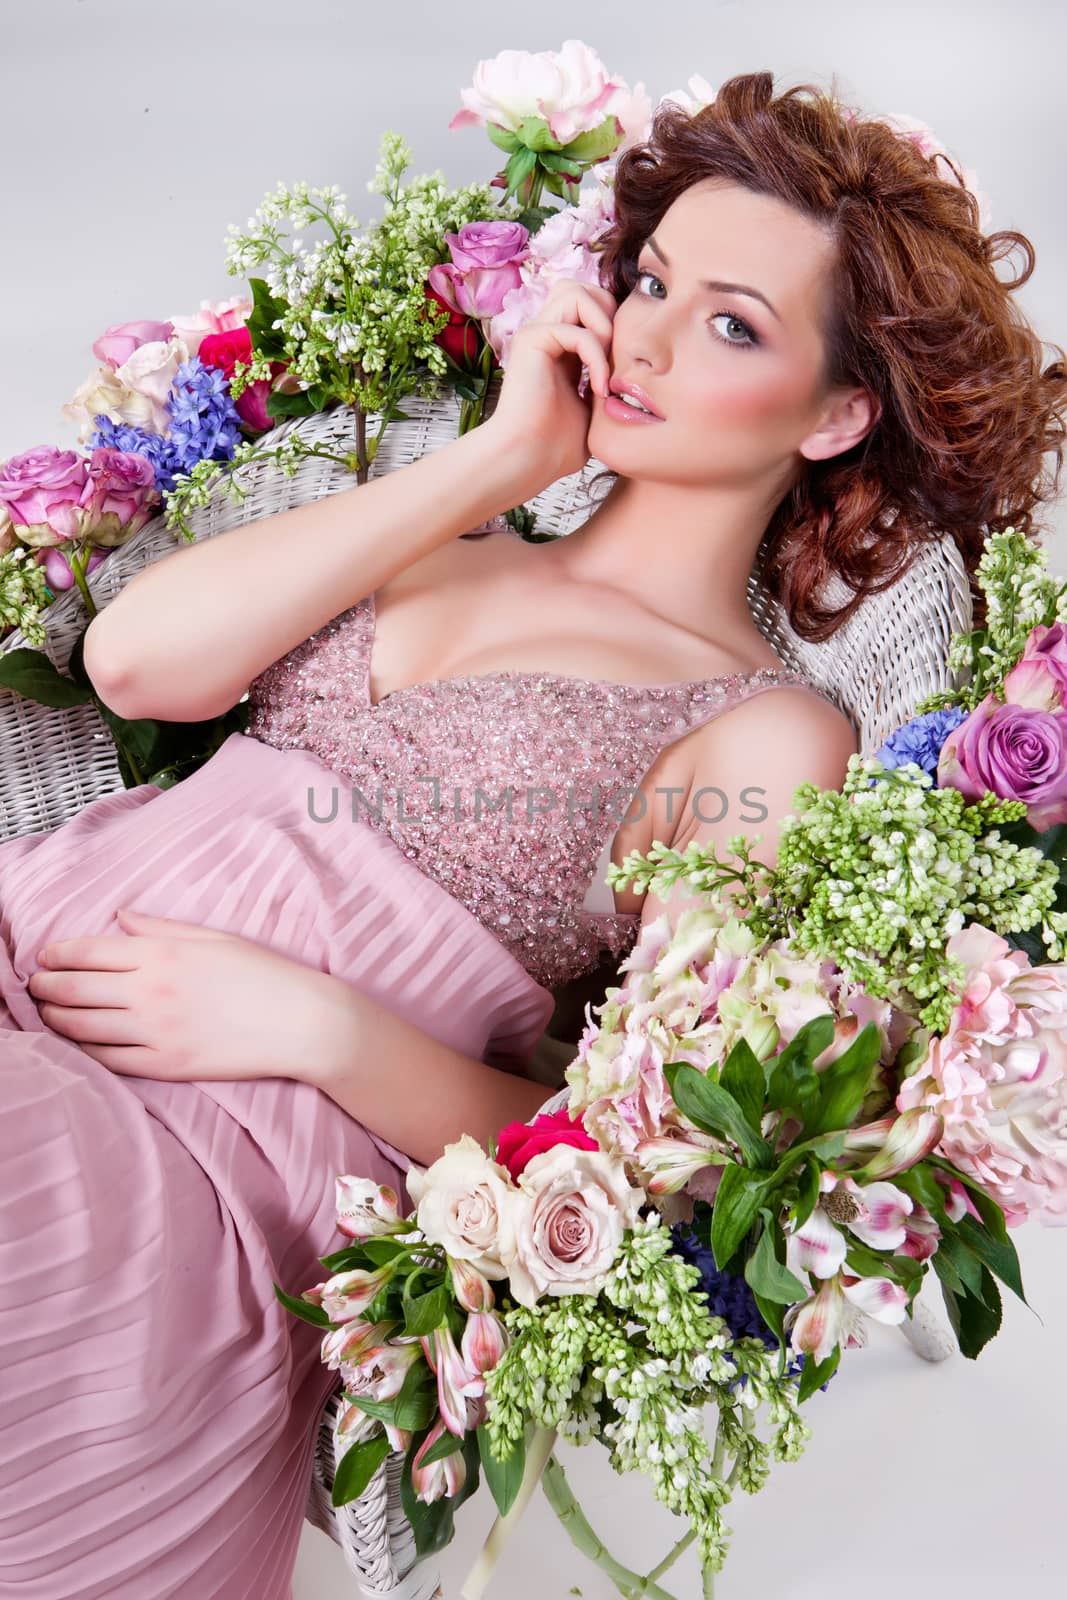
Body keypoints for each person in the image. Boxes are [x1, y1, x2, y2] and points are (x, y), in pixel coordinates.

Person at [1, 70, 1063, 1600]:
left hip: (202, 1165)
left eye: (733, 324)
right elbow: (134, 665)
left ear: (837, 414)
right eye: (649, 284)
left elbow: (648, 1158)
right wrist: (502, 460)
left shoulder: (766, 730)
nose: (644, 336)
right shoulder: (458, 521)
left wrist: (311, 1024)